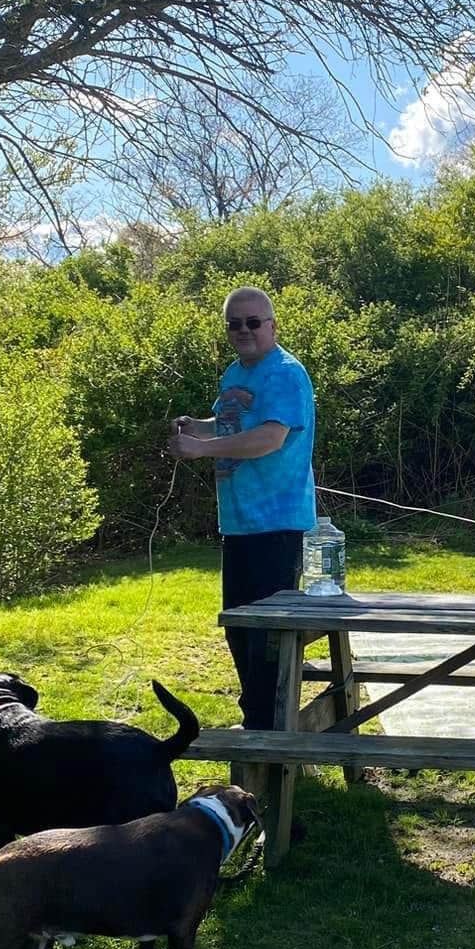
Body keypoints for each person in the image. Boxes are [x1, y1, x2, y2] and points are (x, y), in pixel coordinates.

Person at [169, 287, 316, 730]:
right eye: (235, 323)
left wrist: (202, 448)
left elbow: (269, 438)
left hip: (278, 523)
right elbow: (232, 424)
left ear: (272, 325)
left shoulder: (285, 374)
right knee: (240, 630)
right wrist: (198, 427)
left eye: (254, 322)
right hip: (239, 522)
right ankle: (258, 725)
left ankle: (271, 734)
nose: (244, 331)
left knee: (268, 639)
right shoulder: (235, 373)